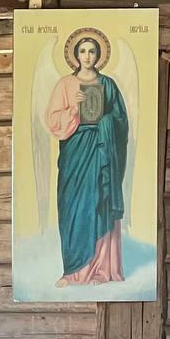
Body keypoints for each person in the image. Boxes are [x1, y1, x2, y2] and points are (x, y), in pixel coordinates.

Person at [44, 32, 128, 287]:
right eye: (83, 51)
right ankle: (72, 272)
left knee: (99, 202)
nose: (87, 56)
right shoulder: (64, 84)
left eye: (92, 51)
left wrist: (105, 121)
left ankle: (101, 270)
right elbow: (52, 121)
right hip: (75, 152)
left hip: (102, 152)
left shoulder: (108, 84)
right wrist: (74, 108)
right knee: (73, 206)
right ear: (76, 55)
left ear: (99, 55)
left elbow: (121, 120)